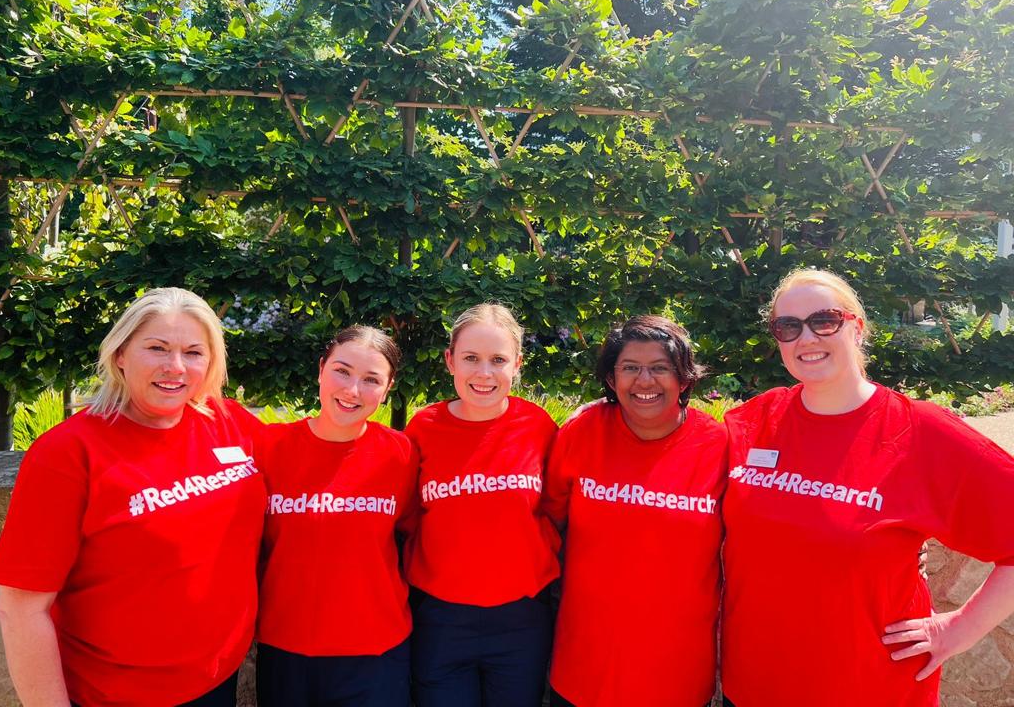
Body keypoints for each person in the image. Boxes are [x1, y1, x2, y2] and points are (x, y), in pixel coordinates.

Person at [721, 268, 1014, 707]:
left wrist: (960, 628)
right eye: (788, 327)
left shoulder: (922, 431)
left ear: (856, 327)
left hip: (870, 687)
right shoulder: (753, 422)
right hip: (754, 686)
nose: (807, 338)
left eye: (824, 320)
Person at [0, 287, 265, 707]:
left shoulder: (228, 422)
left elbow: (308, 463)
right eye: (157, 348)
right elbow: (21, 609)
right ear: (120, 354)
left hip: (216, 680)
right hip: (115, 694)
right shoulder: (67, 454)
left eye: (194, 352)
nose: (176, 367)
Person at [542, 315, 727, 707]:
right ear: (611, 379)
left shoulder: (719, 447)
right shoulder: (582, 432)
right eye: (630, 368)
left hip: (676, 675)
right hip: (584, 670)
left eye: (660, 368)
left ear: (685, 379)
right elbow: (546, 523)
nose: (644, 381)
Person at [403, 303, 560, 707]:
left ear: (517, 364)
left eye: (498, 360)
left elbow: (557, 510)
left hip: (521, 620)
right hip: (440, 619)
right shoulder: (423, 428)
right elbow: (407, 515)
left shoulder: (539, 427)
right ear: (450, 361)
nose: (484, 373)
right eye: (471, 358)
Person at [254, 325, 417, 707]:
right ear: (321, 369)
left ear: (387, 388)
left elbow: (414, 534)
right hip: (285, 647)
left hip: (376, 651)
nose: (352, 390)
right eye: (342, 371)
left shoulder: (401, 454)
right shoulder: (268, 448)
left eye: (371, 379)